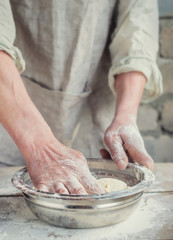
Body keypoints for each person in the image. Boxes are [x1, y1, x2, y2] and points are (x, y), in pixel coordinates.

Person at [0, 0, 162, 194]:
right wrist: (41, 148)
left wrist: (126, 117)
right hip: (12, 110)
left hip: (94, 109)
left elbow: (138, 27)